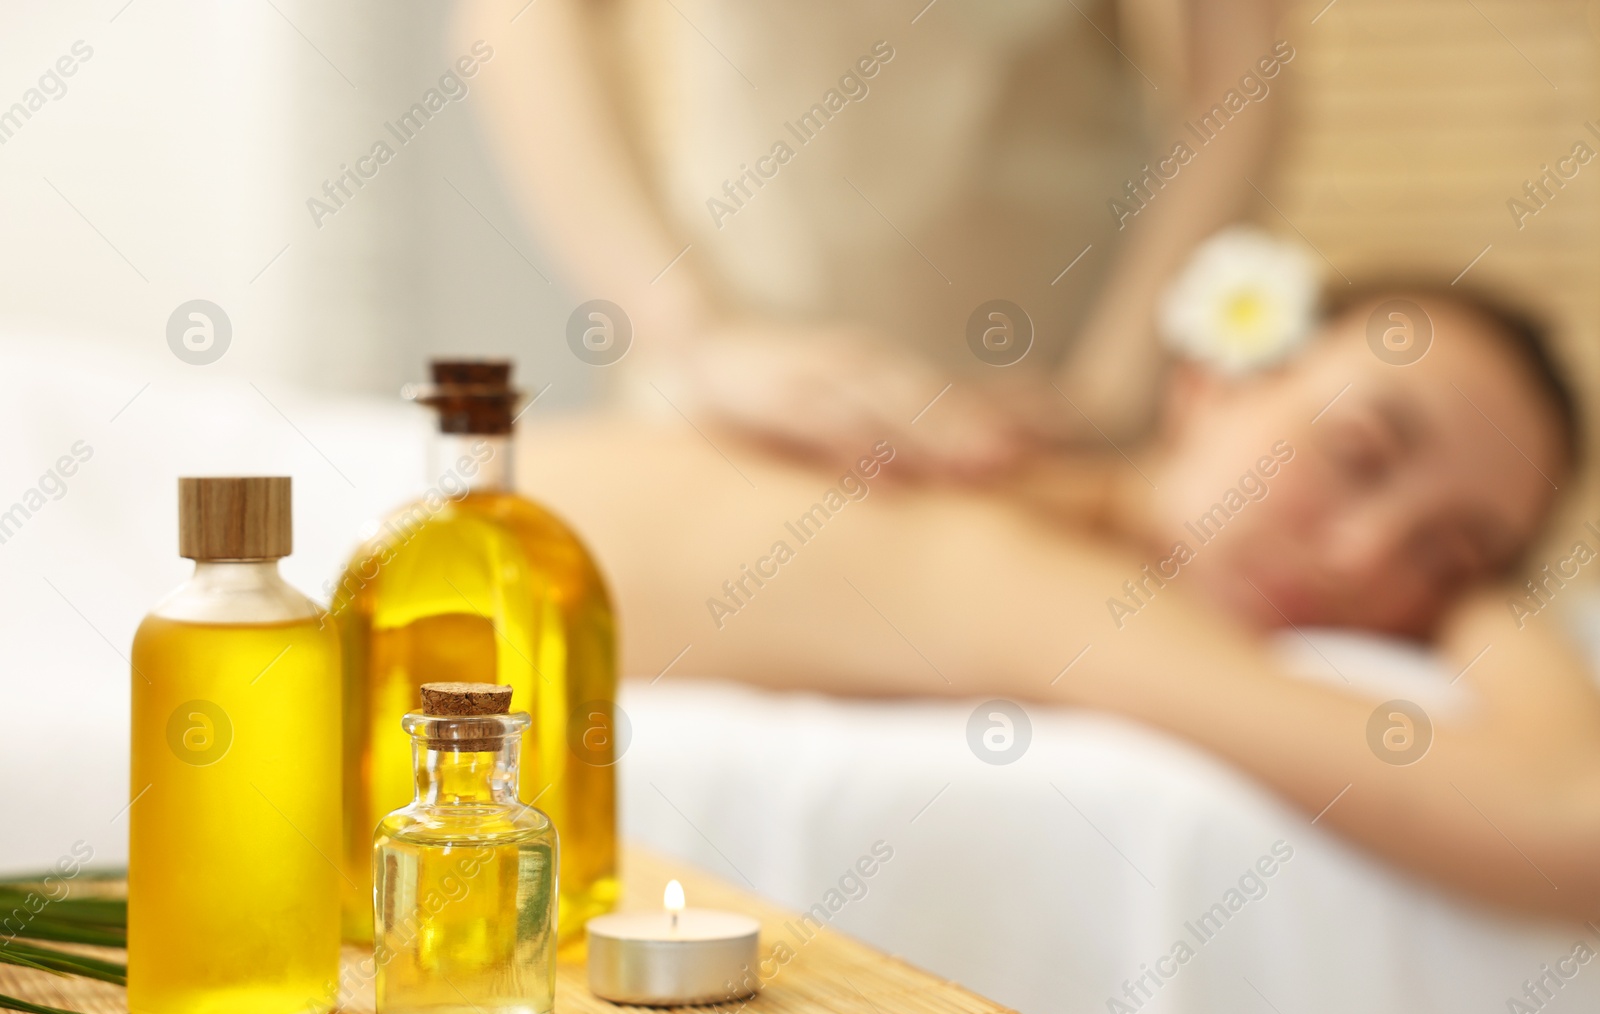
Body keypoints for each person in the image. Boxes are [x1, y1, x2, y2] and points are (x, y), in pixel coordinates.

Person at [515, 289, 1600, 920]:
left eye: (1444, 557)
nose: (1366, 552)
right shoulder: (1010, 555)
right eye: (1358, 453)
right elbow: (1571, 822)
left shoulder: (986, 502)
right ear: (1209, 380)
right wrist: (1497, 605)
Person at [462, 0, 1285, 475]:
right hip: (739, 398)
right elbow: (517, 23)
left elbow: (1245, 66)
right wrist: (704, 343)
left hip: (1063, 411)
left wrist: (1109, 389)